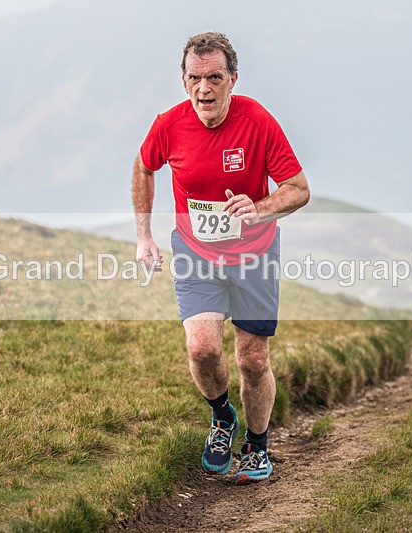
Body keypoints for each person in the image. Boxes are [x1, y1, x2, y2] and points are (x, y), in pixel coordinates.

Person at [132, 32, 309, 483]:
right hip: (196, 252)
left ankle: (257, 445)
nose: (204, 89)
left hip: (254, 255)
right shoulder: (169, 124)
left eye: (214, 78)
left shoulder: (258, 121)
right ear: (183, 78)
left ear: (233, 78)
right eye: (194, 78)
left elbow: (299, 190)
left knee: (253, 361)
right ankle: (222, 417)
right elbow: (144, 165)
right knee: (203, 349)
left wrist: (259, 207)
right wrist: (144, 236)